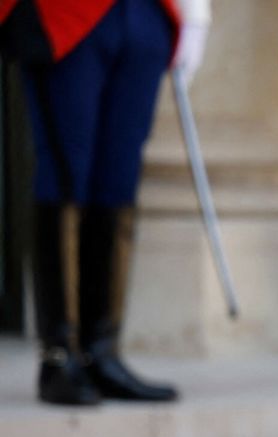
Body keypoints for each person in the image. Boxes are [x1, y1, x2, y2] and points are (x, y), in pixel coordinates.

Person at [0, 0, 209, 405]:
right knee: (66, 176)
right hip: (65, 12)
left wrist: (197, 16)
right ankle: (59, 355)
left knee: (118, 181)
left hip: (147, 13)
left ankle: (102, 350)